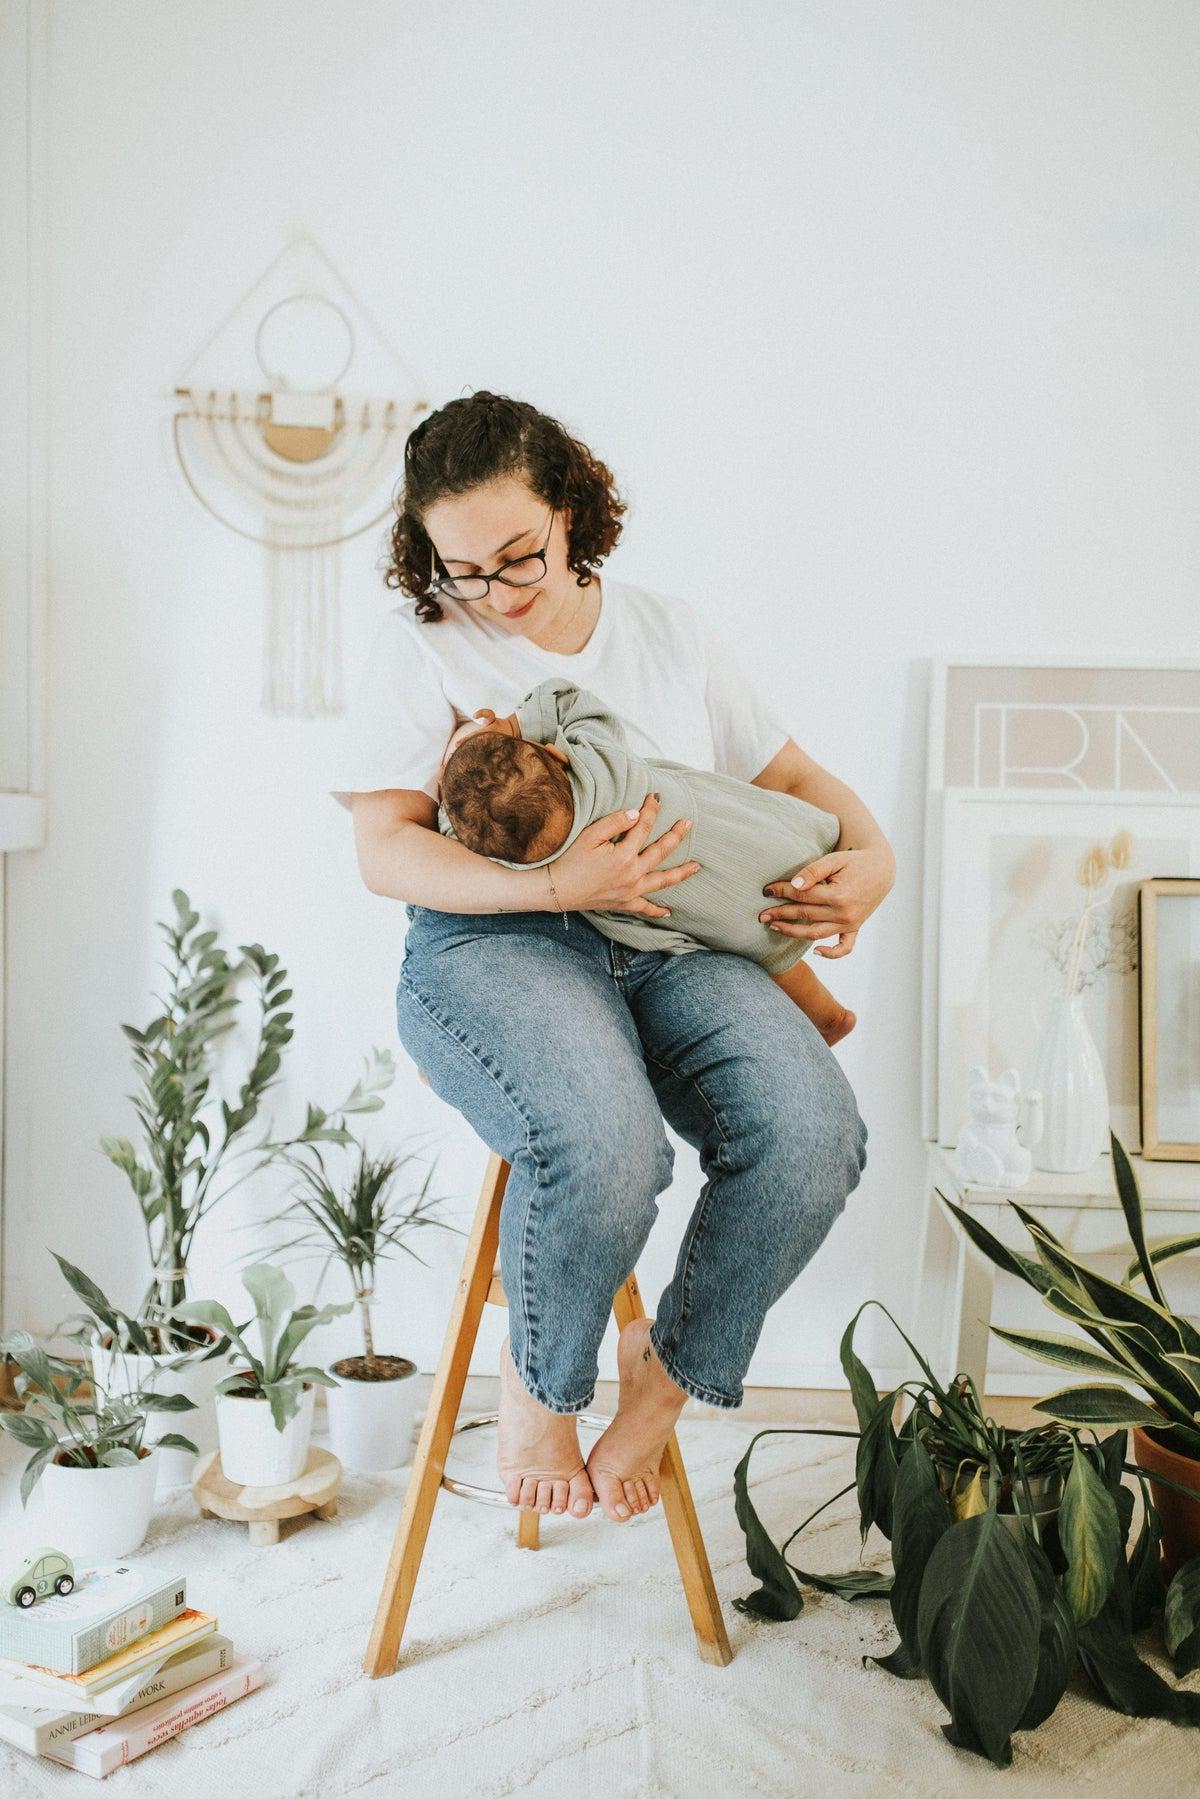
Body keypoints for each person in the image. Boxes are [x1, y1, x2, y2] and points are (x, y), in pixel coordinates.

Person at [329, 391, 894, 1527]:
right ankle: (540, 1376)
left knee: (814, 1138)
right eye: (461, 566)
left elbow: (786, 777)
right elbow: (385, 853)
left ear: (572, 508)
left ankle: (666, 1376)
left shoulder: (669, 629)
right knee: (603, 1143)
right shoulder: (422, 646)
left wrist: (874, 853)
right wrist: (552, 884)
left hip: (675, 939)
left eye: (517, 554)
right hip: (501, 943)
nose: (493, 590)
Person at [435, 677, 856, 1045]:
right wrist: (512, 726)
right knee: (779, 852)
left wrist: (451, 795)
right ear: (558, 755)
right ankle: (830, 874)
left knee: (774, 955)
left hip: (721, 915)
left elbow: (459, 836)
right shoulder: (602, 763)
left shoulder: (521, 863)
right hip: (757, 842)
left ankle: (827, 1018)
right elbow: (570, 701)